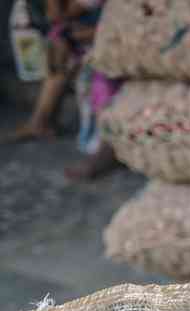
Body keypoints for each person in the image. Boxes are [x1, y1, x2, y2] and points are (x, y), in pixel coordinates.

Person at [4, 0, 120, 180]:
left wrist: (70, 29)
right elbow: (57, 16)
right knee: (58, 51)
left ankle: (108, 149)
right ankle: (41, 121)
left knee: (103, 70)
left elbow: (60, 14)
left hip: (115, 31)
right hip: (89, 27)